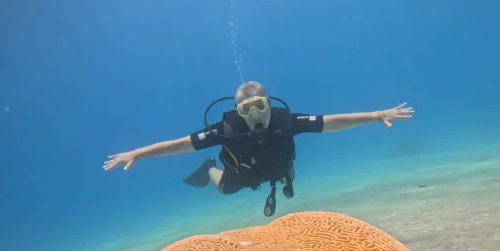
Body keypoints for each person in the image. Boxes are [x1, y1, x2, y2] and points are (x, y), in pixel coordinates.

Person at [103, 81, 414, 216]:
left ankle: (285, 180)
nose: (254, 115)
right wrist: (139, 153)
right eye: (246, 109)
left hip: (279, 166)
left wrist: (375, 115)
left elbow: (331, 122)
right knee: (225, 189)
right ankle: (209, 168)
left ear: (269, 103)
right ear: (238, 112)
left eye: (260, 105)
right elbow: (181, 144)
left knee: (287, 173)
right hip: (242, 174)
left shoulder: (286, 121)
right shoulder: (224, 130)